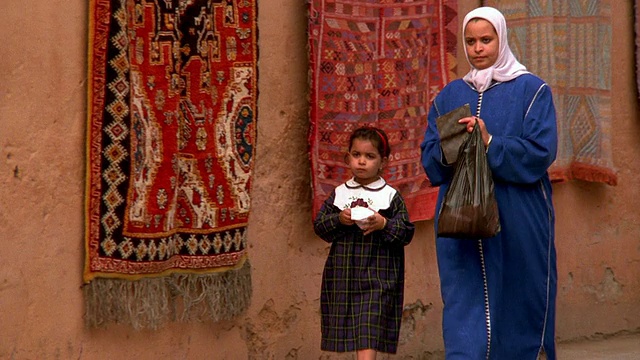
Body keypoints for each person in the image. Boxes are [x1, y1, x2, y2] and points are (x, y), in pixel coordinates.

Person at [420, 7, 558, 360]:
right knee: (464, 303)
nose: (478, 48)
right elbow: (430, 162)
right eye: (470, 41)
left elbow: (541, 152)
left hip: (518, 216)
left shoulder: (532, 90)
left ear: (502, 38)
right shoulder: (449, 95)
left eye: (486, 39)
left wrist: (490, 142)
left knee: (520, 295)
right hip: (460, 222)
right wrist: (451, 145)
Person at [314, 126, 415, 359]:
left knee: (368, 326)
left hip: (379, 276)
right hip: (344, 275)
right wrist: (340, 219)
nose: (361, 162)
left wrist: (383, 224)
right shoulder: (340, 194)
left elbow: (406, 232)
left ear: (383, 162)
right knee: (353, 328)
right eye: (357, 155)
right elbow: (320, 226)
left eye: (370, 156)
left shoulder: (390, 196)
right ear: (347, 157)